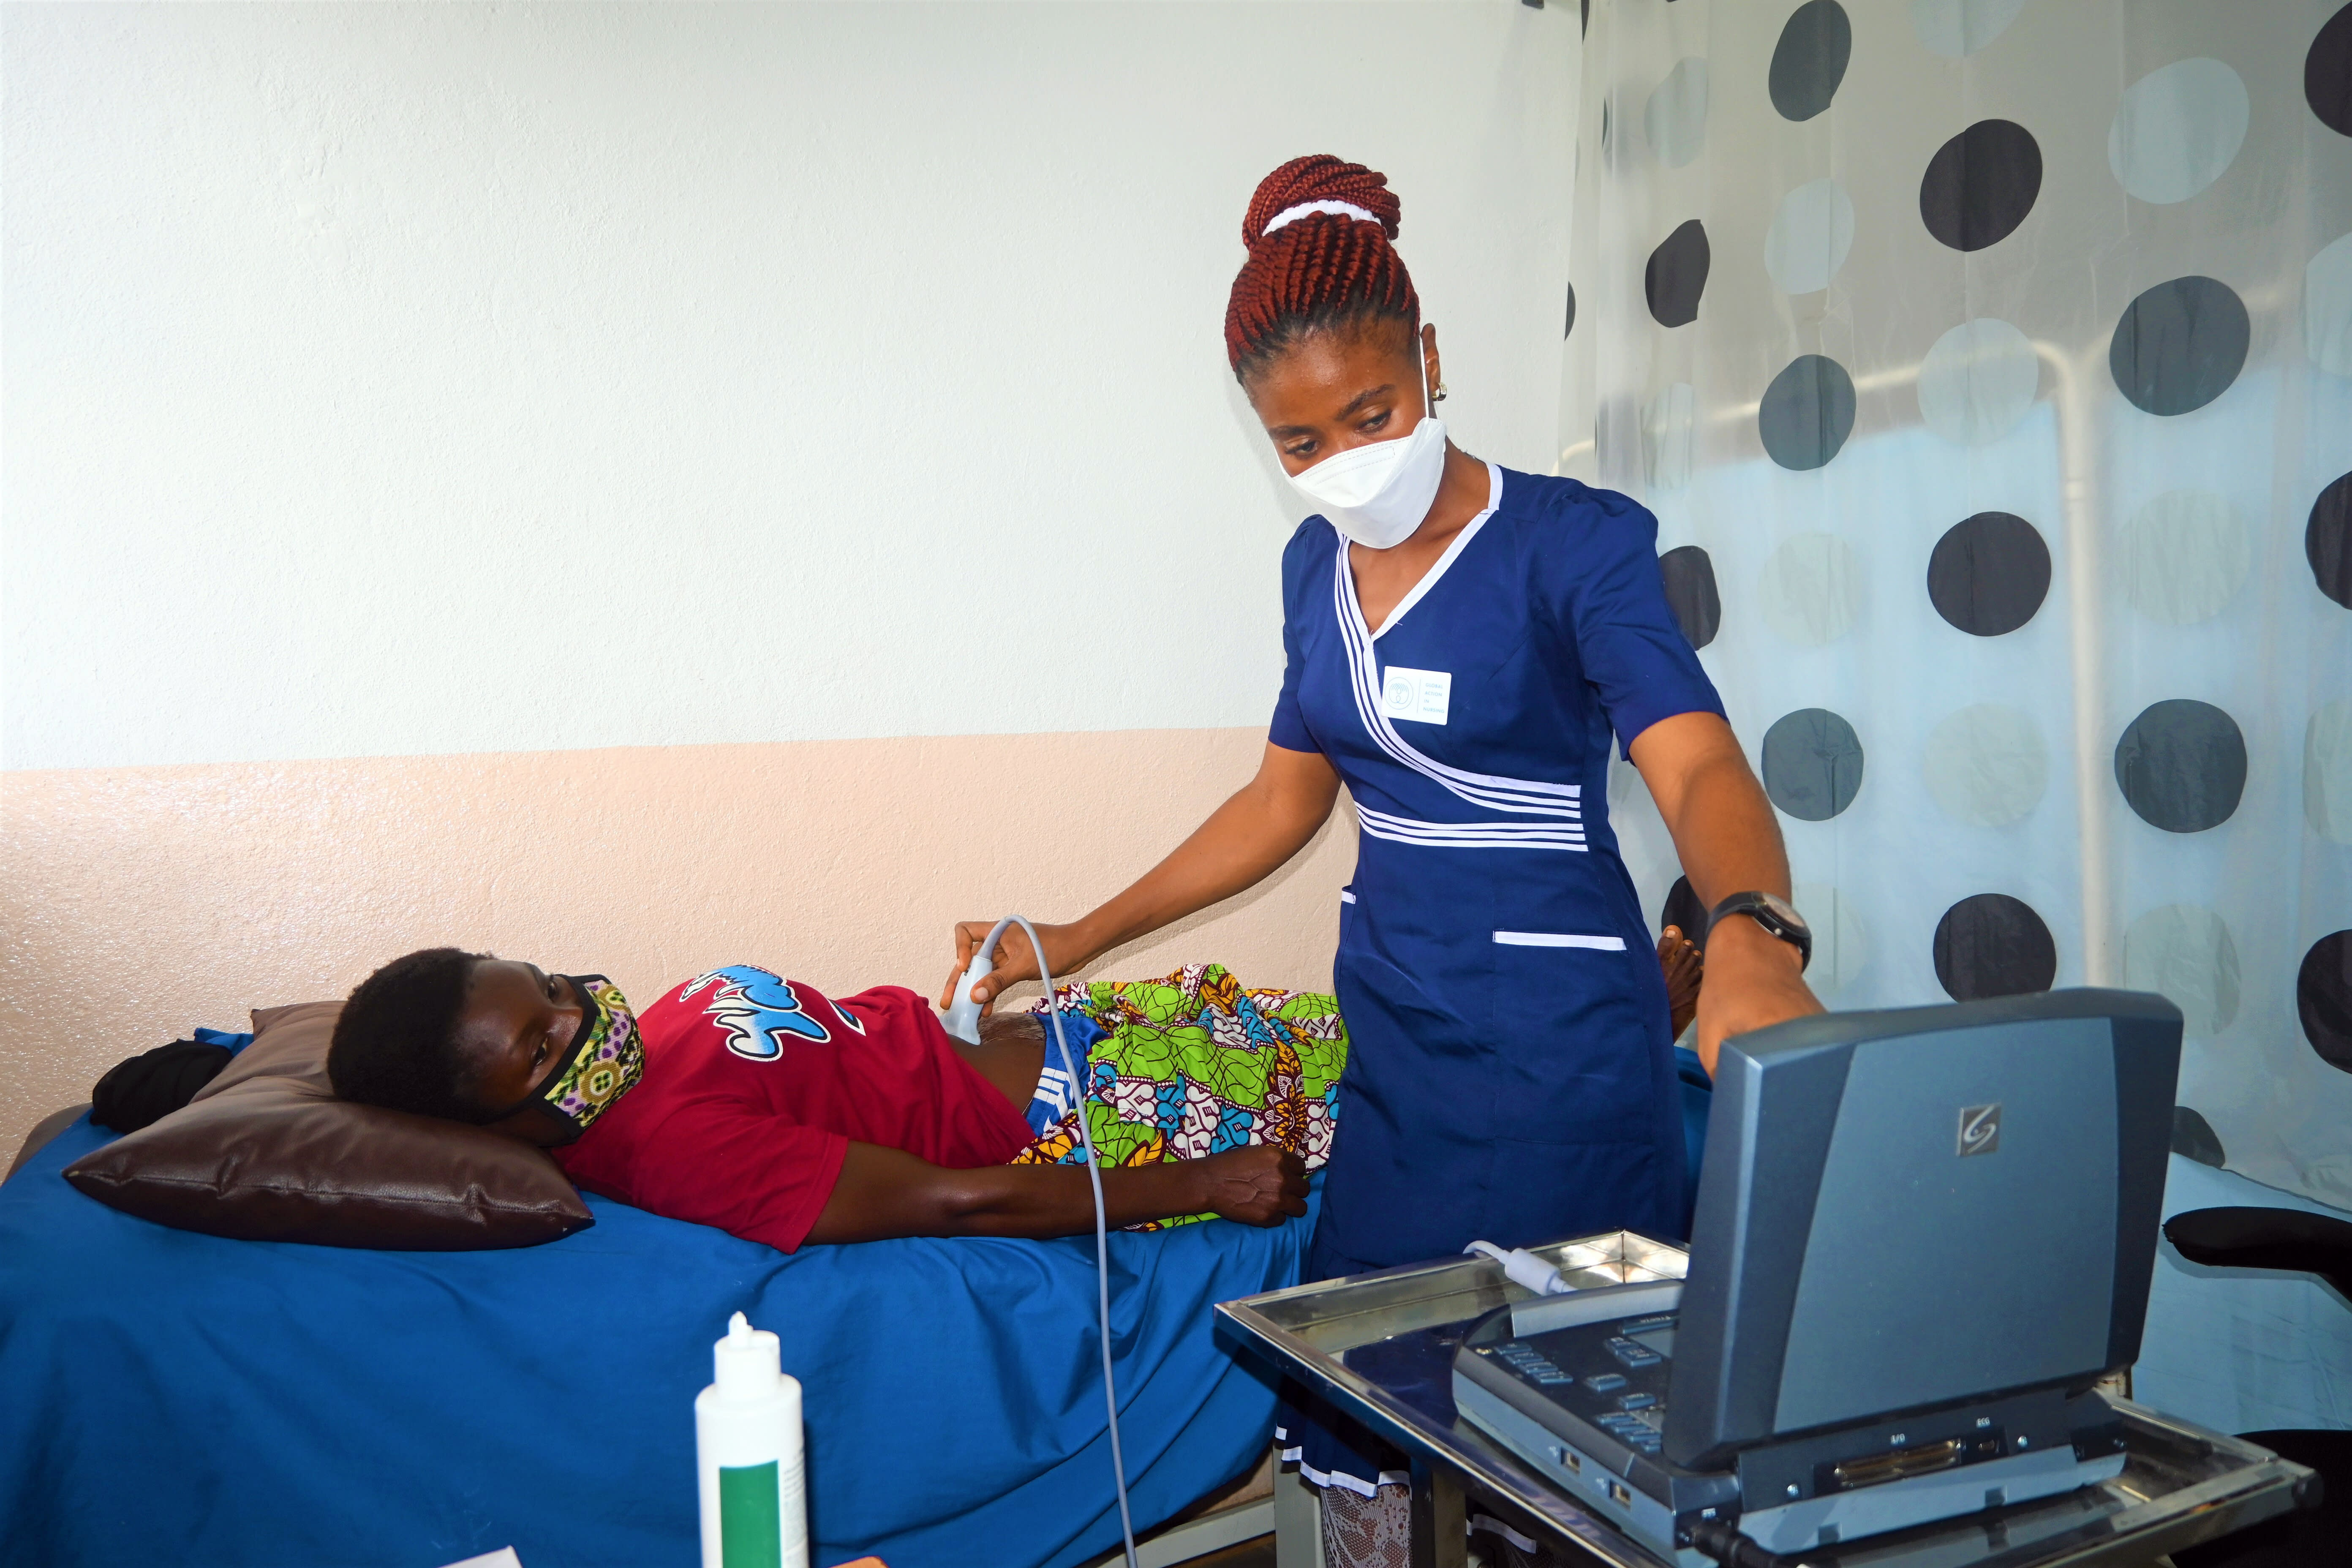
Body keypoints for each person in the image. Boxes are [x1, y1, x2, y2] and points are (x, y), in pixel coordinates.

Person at [941, 155, 1824, 1554]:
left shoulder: (1570, 547)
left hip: (1559, 1051)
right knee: (1374, 1395)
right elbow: (1277, 802)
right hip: (1398, 1036)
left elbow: (1696, 760)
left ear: (1429, 357)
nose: (1344, 460)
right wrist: (1072, 934)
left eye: (1371, 412)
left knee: (1568, 1413)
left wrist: (1749, 933)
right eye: (1300, 444)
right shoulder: (1311, 572)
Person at [327, 948, 1343, 1251]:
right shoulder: (665, 1148)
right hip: (1102, 1107)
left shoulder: (630, 1064)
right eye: (542, 1044)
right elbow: (956, 1200)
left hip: (1069, 1025)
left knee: (1396, 1039)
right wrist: (1206, 1180)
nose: (576, 1014)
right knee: (1439, 1112)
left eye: (549, 983)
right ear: (489, 1121)